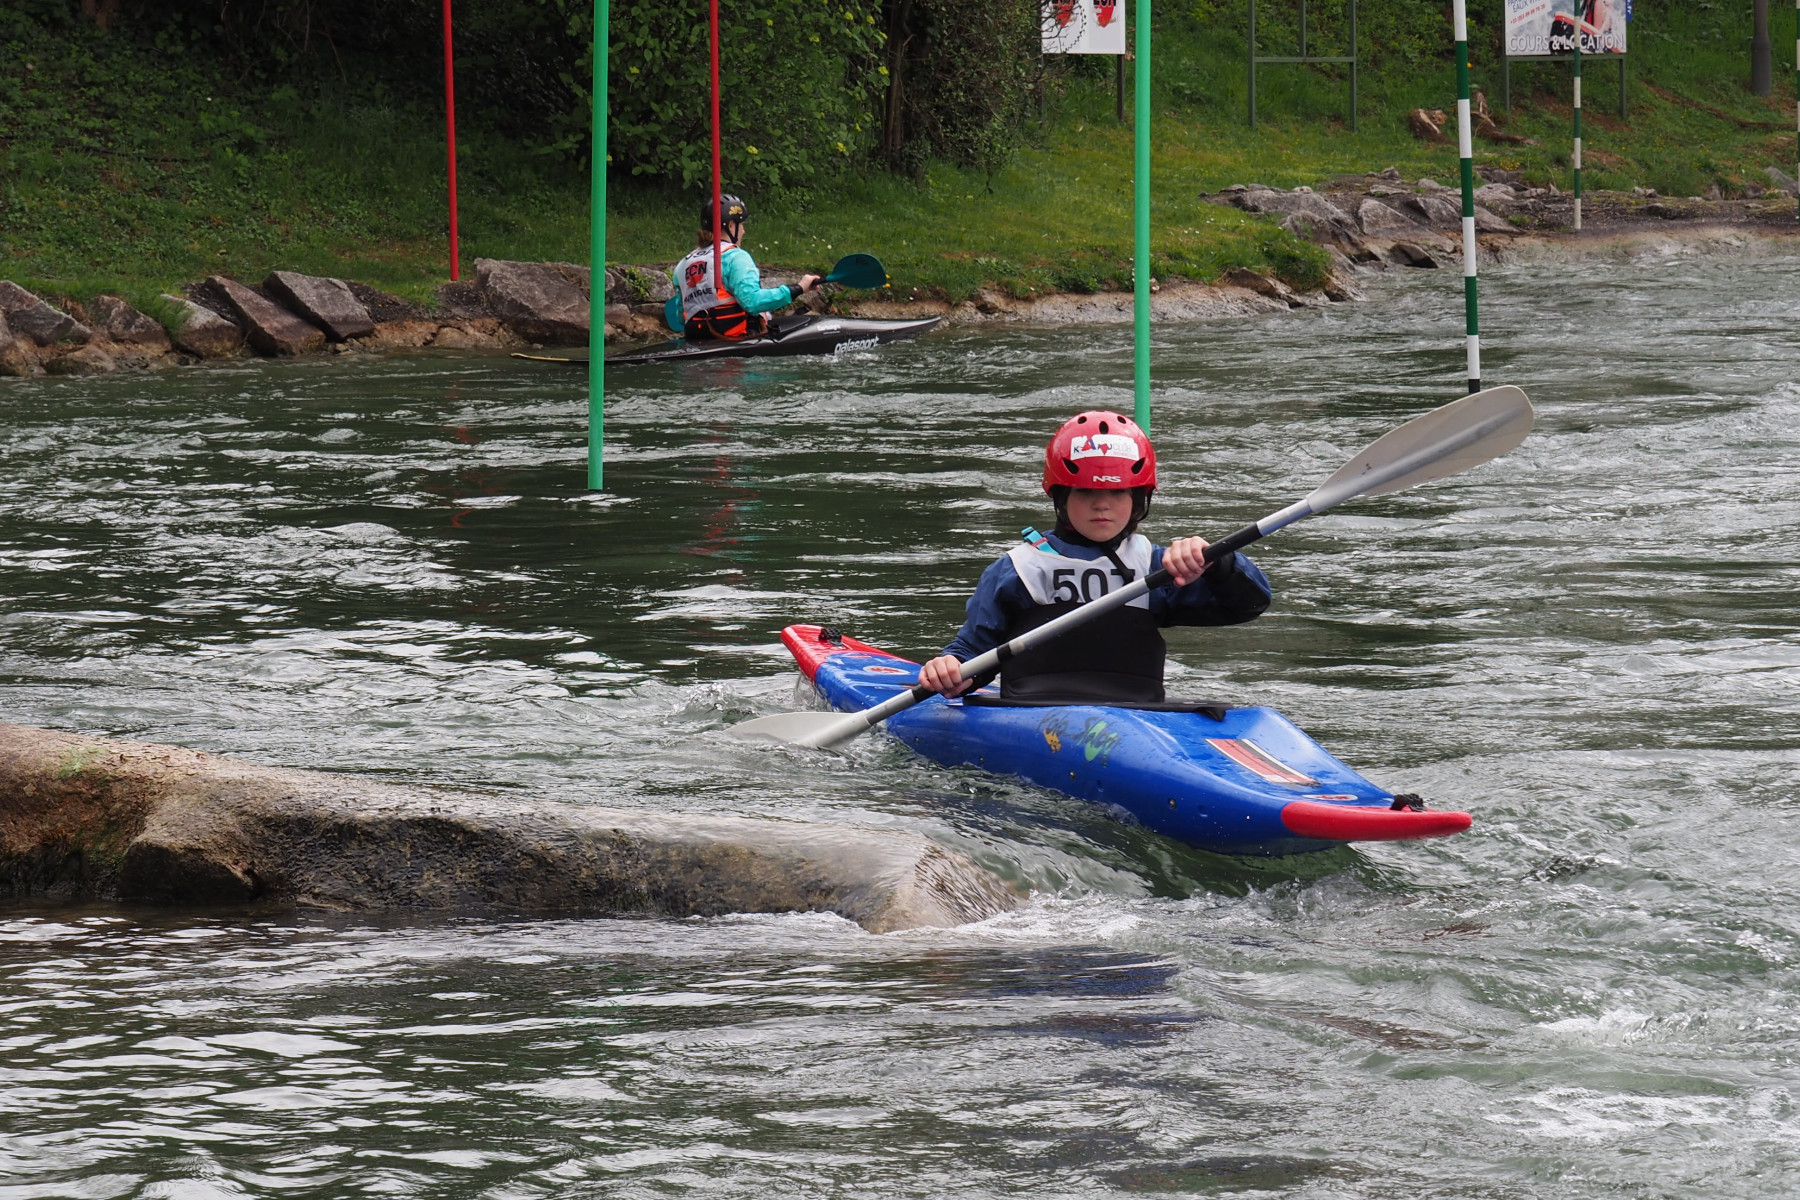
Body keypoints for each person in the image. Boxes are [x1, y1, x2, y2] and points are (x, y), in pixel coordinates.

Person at [916, 410, 1272, 703]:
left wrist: (1219, 563)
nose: (1102, 504)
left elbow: (1248, 605)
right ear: (1061, 497)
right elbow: (973, 654)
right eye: (1086, 492)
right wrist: (951, 668)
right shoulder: (1017, 570)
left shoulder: (1158, 567)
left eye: (1117, 492)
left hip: (1138, 714)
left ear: (1137, 499)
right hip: (1030, 709)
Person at [673, 193, 819, 341]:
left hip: (697, 339)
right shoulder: (735, 257)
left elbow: (680, 316)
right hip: (735, 341)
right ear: (730, 225)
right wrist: (798, 288)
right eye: (741, 224)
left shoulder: (682, 265)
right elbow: (752, 302)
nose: (744, 231)